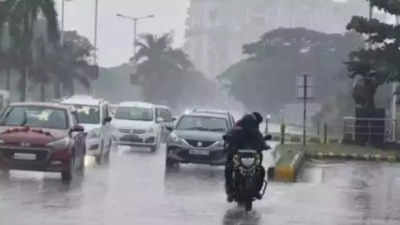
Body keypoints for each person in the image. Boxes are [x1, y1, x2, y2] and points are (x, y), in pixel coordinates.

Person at [224, 112, 269, 202]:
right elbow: (229, 137)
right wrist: (229, 145)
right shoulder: (237, 130)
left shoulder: (256, 132)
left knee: (261, 170)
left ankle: (257, 190)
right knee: (229, 168)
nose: (250, 125)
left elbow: (261, 141)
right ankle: (230, 190)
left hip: (251, 159)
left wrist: (264, 145)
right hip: (238, 158)